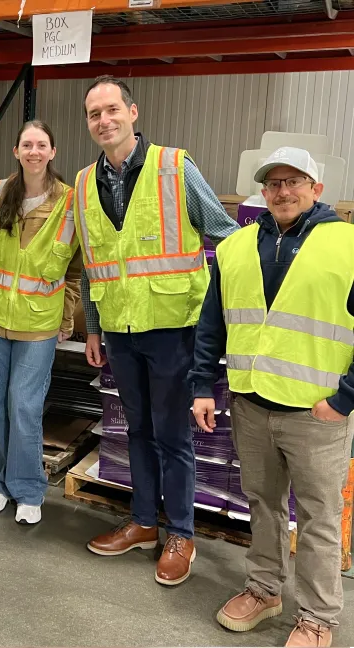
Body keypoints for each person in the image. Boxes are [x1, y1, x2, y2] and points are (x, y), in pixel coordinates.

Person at [77, 75, 239, 585]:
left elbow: (226, 237)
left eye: (111, 110)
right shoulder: (85, 183)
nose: (104, 120)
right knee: (138, 431)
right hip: (121, 330)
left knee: (173, 436)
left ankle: (182, 533)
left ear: (133, 112)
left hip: (174, 329)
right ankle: (144, 522)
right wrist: (95, 329)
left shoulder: (175, 167)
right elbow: (92, 262)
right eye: (94, 114)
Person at [191, 147, 354, 647]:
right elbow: (212, 322)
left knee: (318, 516)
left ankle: (319, 618)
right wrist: (202, 386)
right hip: (252, 403)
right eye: (274, 183)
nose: (283, 191)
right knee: (261, 503)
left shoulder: (347, 244)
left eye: (295, 181)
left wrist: (345, 399)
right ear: (263, 192)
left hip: (317, 413)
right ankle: (264, 590)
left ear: (316, 189)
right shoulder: (237, 247)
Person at [0, 121, 81, 525]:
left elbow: (74, 271)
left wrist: (67, 316)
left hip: (39, 323)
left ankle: (29, 488)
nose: (34, 151)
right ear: (16, 151)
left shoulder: (70, 203)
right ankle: (0, 482)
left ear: (52, 152)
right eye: (26, 145)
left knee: (25, 405)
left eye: (42, 145)